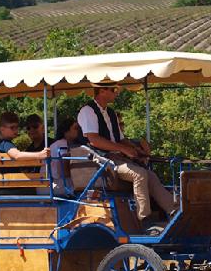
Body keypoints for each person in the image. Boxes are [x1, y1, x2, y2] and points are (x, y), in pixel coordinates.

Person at [77, 85, 177, 233]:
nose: (117, 93)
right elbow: (94, 140)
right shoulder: (88, 111)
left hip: (116, 158)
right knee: (139, 174)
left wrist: (136, 150)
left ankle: (175, 213)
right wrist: (123, 149)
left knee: (151, 175)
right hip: (100, 161)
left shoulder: (110, 112)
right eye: (113, 90)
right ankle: (145, 221)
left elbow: (121, 139)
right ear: (102, 91)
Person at [48, 117, 82, 195]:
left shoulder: (63, 144)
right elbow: (63, 170)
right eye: (75, 128)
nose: (78, 131)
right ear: (66, 131)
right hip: (54, 184)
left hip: (52, 182)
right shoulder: (62, 144)